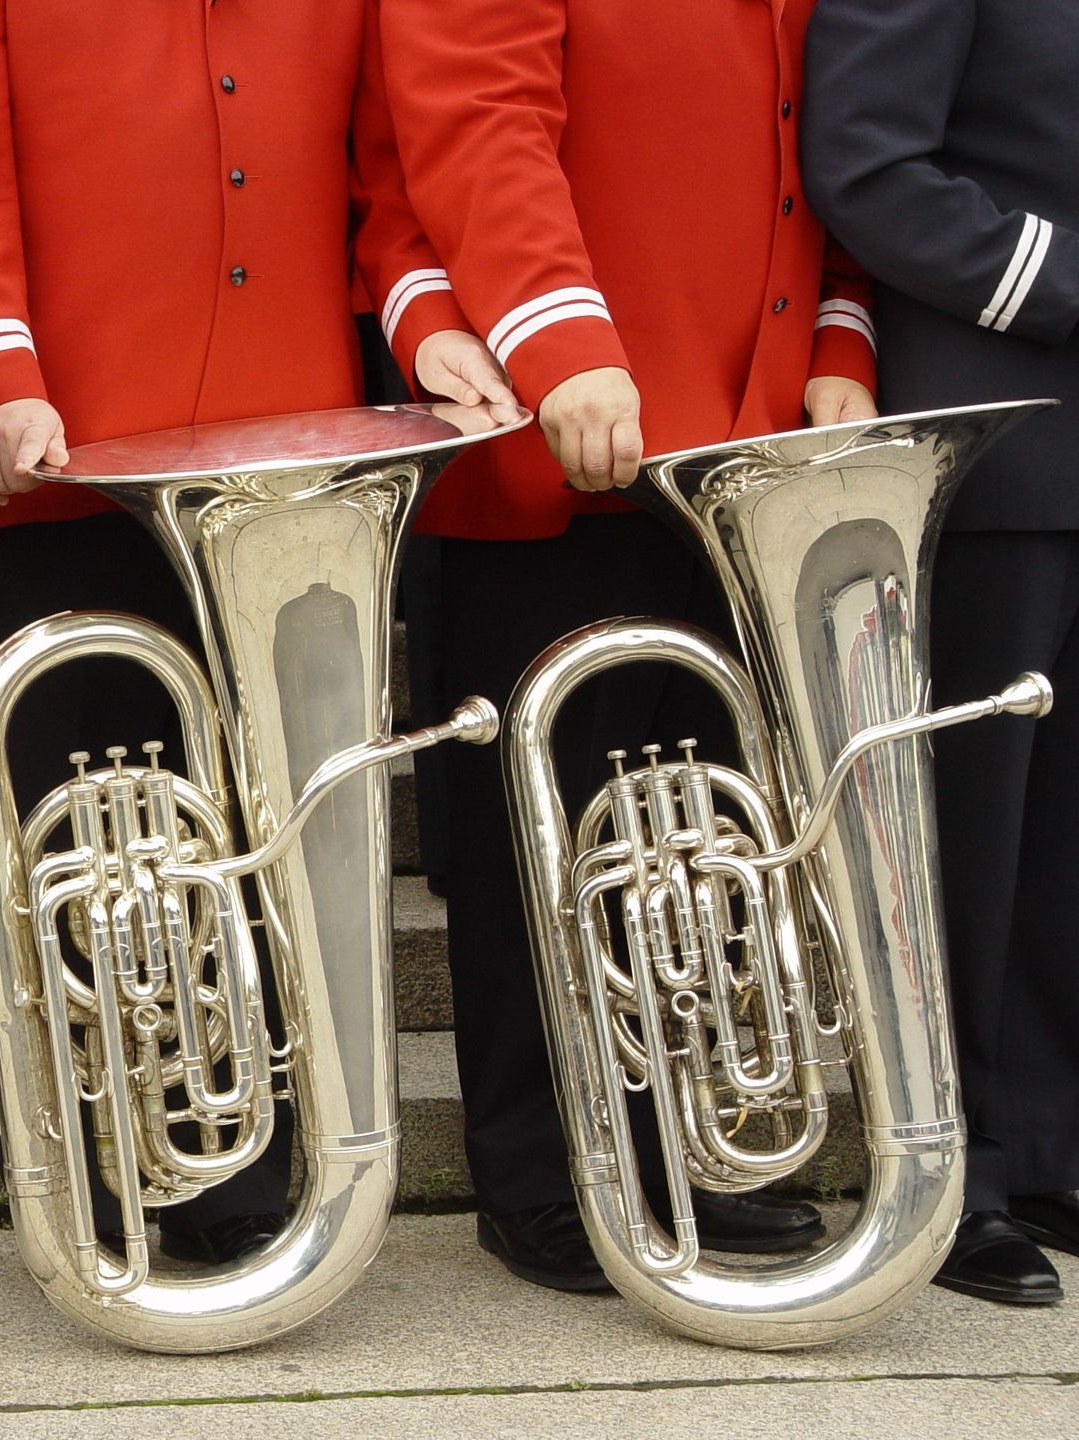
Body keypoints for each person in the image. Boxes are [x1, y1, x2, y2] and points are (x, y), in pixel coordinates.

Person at [0, 0, 512, 1262]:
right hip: (64, 439)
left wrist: (430, 333)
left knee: (258, 822)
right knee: (83, 823)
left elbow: (385, 182)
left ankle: (242, 1168)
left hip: (285, 449)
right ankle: (89, 1164)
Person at [380, 0, 878, 1290]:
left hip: (746, 435)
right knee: (543, 840)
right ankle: (545, 1171)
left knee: (703, 834)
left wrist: (839, 340)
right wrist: (562, 347)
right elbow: (480, 130)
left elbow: (827, 141)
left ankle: (679, 1147)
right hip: (576, 422)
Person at [803, 0, 1079, 1309]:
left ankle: (1045, 1145)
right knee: (968, 846)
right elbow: (866, 164)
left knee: (1066, 846)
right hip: (999, 427)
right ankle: (950, 1178)